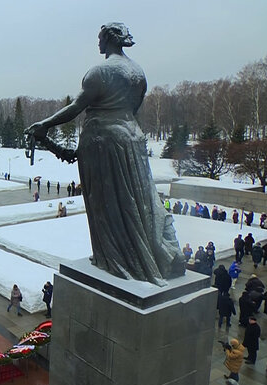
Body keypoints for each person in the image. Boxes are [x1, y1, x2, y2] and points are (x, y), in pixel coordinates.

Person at [24, 23, 185, 285]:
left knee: (105, 203)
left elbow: (77, 107)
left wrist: (45, 124)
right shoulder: (138, 72)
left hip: (103, 143)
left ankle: (113, 258)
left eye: (100, 38)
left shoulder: (99, 72)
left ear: (108, 40)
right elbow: (134, 108)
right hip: (131, 138)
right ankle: (140, 257)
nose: (98, 43)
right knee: (137, 198)